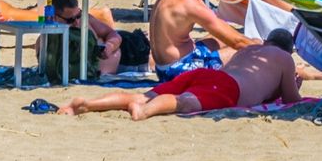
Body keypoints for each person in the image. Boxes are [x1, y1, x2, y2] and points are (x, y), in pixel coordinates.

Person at [63, 34, 304, 120]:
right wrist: (294, 84)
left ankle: (88, 104)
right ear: (287, 49)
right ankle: (145, 111)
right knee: (185, 102)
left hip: (207, 74)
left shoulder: (250, 49)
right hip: (229, 89)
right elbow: (291, 99)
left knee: (142, 94)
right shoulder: (284, 58)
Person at [147, 0, 254, 79]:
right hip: (177, 70)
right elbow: (237, 43)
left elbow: (221, 27)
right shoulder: (192, 5)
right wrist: (269, 50)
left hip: (165, 65)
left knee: (219, 38)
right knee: (242, 52)